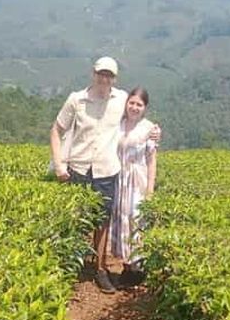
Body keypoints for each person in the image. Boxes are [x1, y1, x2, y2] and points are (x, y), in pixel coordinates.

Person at [50, 57, 159, 294]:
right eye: (101, 73)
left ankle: (100, 269)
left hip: (107, 170)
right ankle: (71, 267)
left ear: (115, 79)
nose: (104, 79)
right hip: (78, 168)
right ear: (93, 73)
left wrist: (154, 131)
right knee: (76, 220)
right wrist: (59, 165)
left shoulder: (120, 99)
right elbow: (56, 131)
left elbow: (135, 114)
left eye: (109, 75)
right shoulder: (76, 99)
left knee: (102, 221)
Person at [109, 87, 157, 285]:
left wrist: (150, 190)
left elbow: (152, 160)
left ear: (145, 108)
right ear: (126, 103)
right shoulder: (118, 125)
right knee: (121, 220)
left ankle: (139, 268)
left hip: (138, 180)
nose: (134, 107)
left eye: (139, 104)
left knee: (137, 220)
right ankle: (127, 267)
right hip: (119, 178)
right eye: (132, 103)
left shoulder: (149, 129)